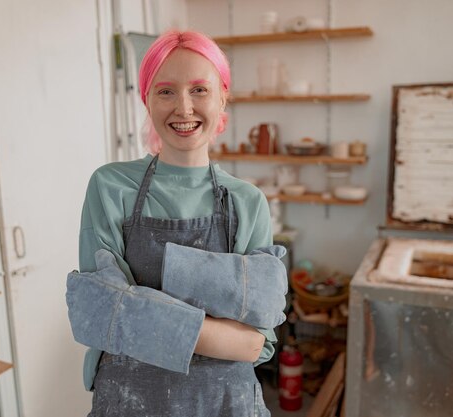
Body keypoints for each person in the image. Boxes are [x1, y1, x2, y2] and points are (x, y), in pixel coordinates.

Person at [66, 30, 288, 417]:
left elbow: (256, 343)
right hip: (129, 402)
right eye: (165, 91)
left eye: (199, 90)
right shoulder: (110, 186)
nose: (183, 108)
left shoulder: (247, 201)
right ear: (147, 100)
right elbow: (99, 312)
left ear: (222, 99)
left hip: (226, 405)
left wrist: (139, 314)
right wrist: (219, 330)